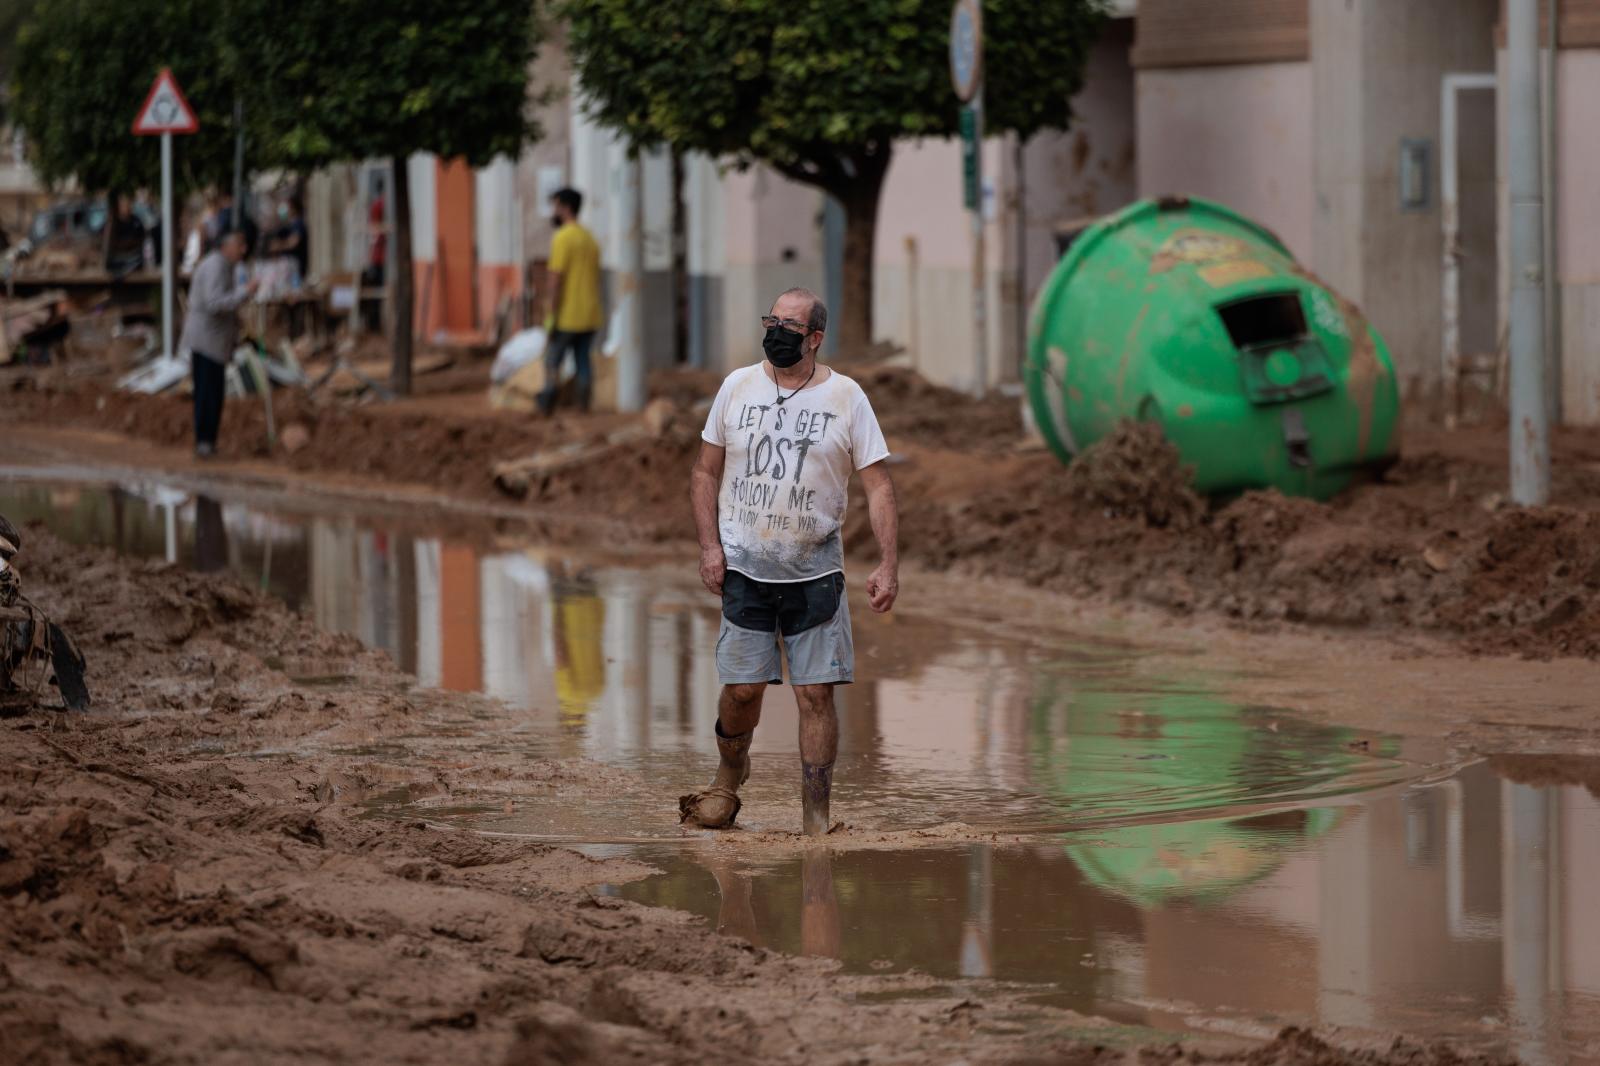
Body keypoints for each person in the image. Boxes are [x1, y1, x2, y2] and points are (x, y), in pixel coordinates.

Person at [680, 287, 900, 836]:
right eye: (770, 320)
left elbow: (878, 486)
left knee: (815, 694)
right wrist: (711, 547)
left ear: (816, 338)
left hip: (816, 574)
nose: (776, 332)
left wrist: (888, 564)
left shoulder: (847, 398)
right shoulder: (736, 386)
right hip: (745, 571)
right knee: (742, 691)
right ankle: (731, 772)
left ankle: (816, 818)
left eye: (790, 326)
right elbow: (705, 471)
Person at [179, 229, 258, 457]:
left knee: (214, 394)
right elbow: (215, 303)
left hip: (214, 342)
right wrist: (244, 292)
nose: (243, 251)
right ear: (228, 246)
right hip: (206, 341)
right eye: (239, 245)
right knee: (207, 394)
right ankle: (204, 442)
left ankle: (208, 441)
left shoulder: (223, 266)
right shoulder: (216, 266)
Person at [537, 187, 602, 414]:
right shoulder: (590, 238)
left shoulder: (562, 238)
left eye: (556, 206)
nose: (553, 211)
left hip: (567, 315)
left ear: (565, 207)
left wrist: (551, 314)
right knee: (583, 360)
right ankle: (584, 405)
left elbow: (555, 280)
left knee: (552, 360)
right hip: (590, 314)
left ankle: (547, 403)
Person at [265, 197, 308, 286]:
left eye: (287, 207)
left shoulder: (298, 223)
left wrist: (278, 245)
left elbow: (294, 242)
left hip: (295, 266)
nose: (285, 211)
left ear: (293, 208)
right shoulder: (291, 224)